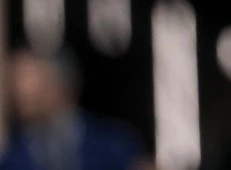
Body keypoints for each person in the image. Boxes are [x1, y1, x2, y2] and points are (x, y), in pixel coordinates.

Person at [0, 47, 146, 170]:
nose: (22, 92)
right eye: (16, 82)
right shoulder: (13, 157)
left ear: (62, 87)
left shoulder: (115, 144)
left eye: (34, 81)